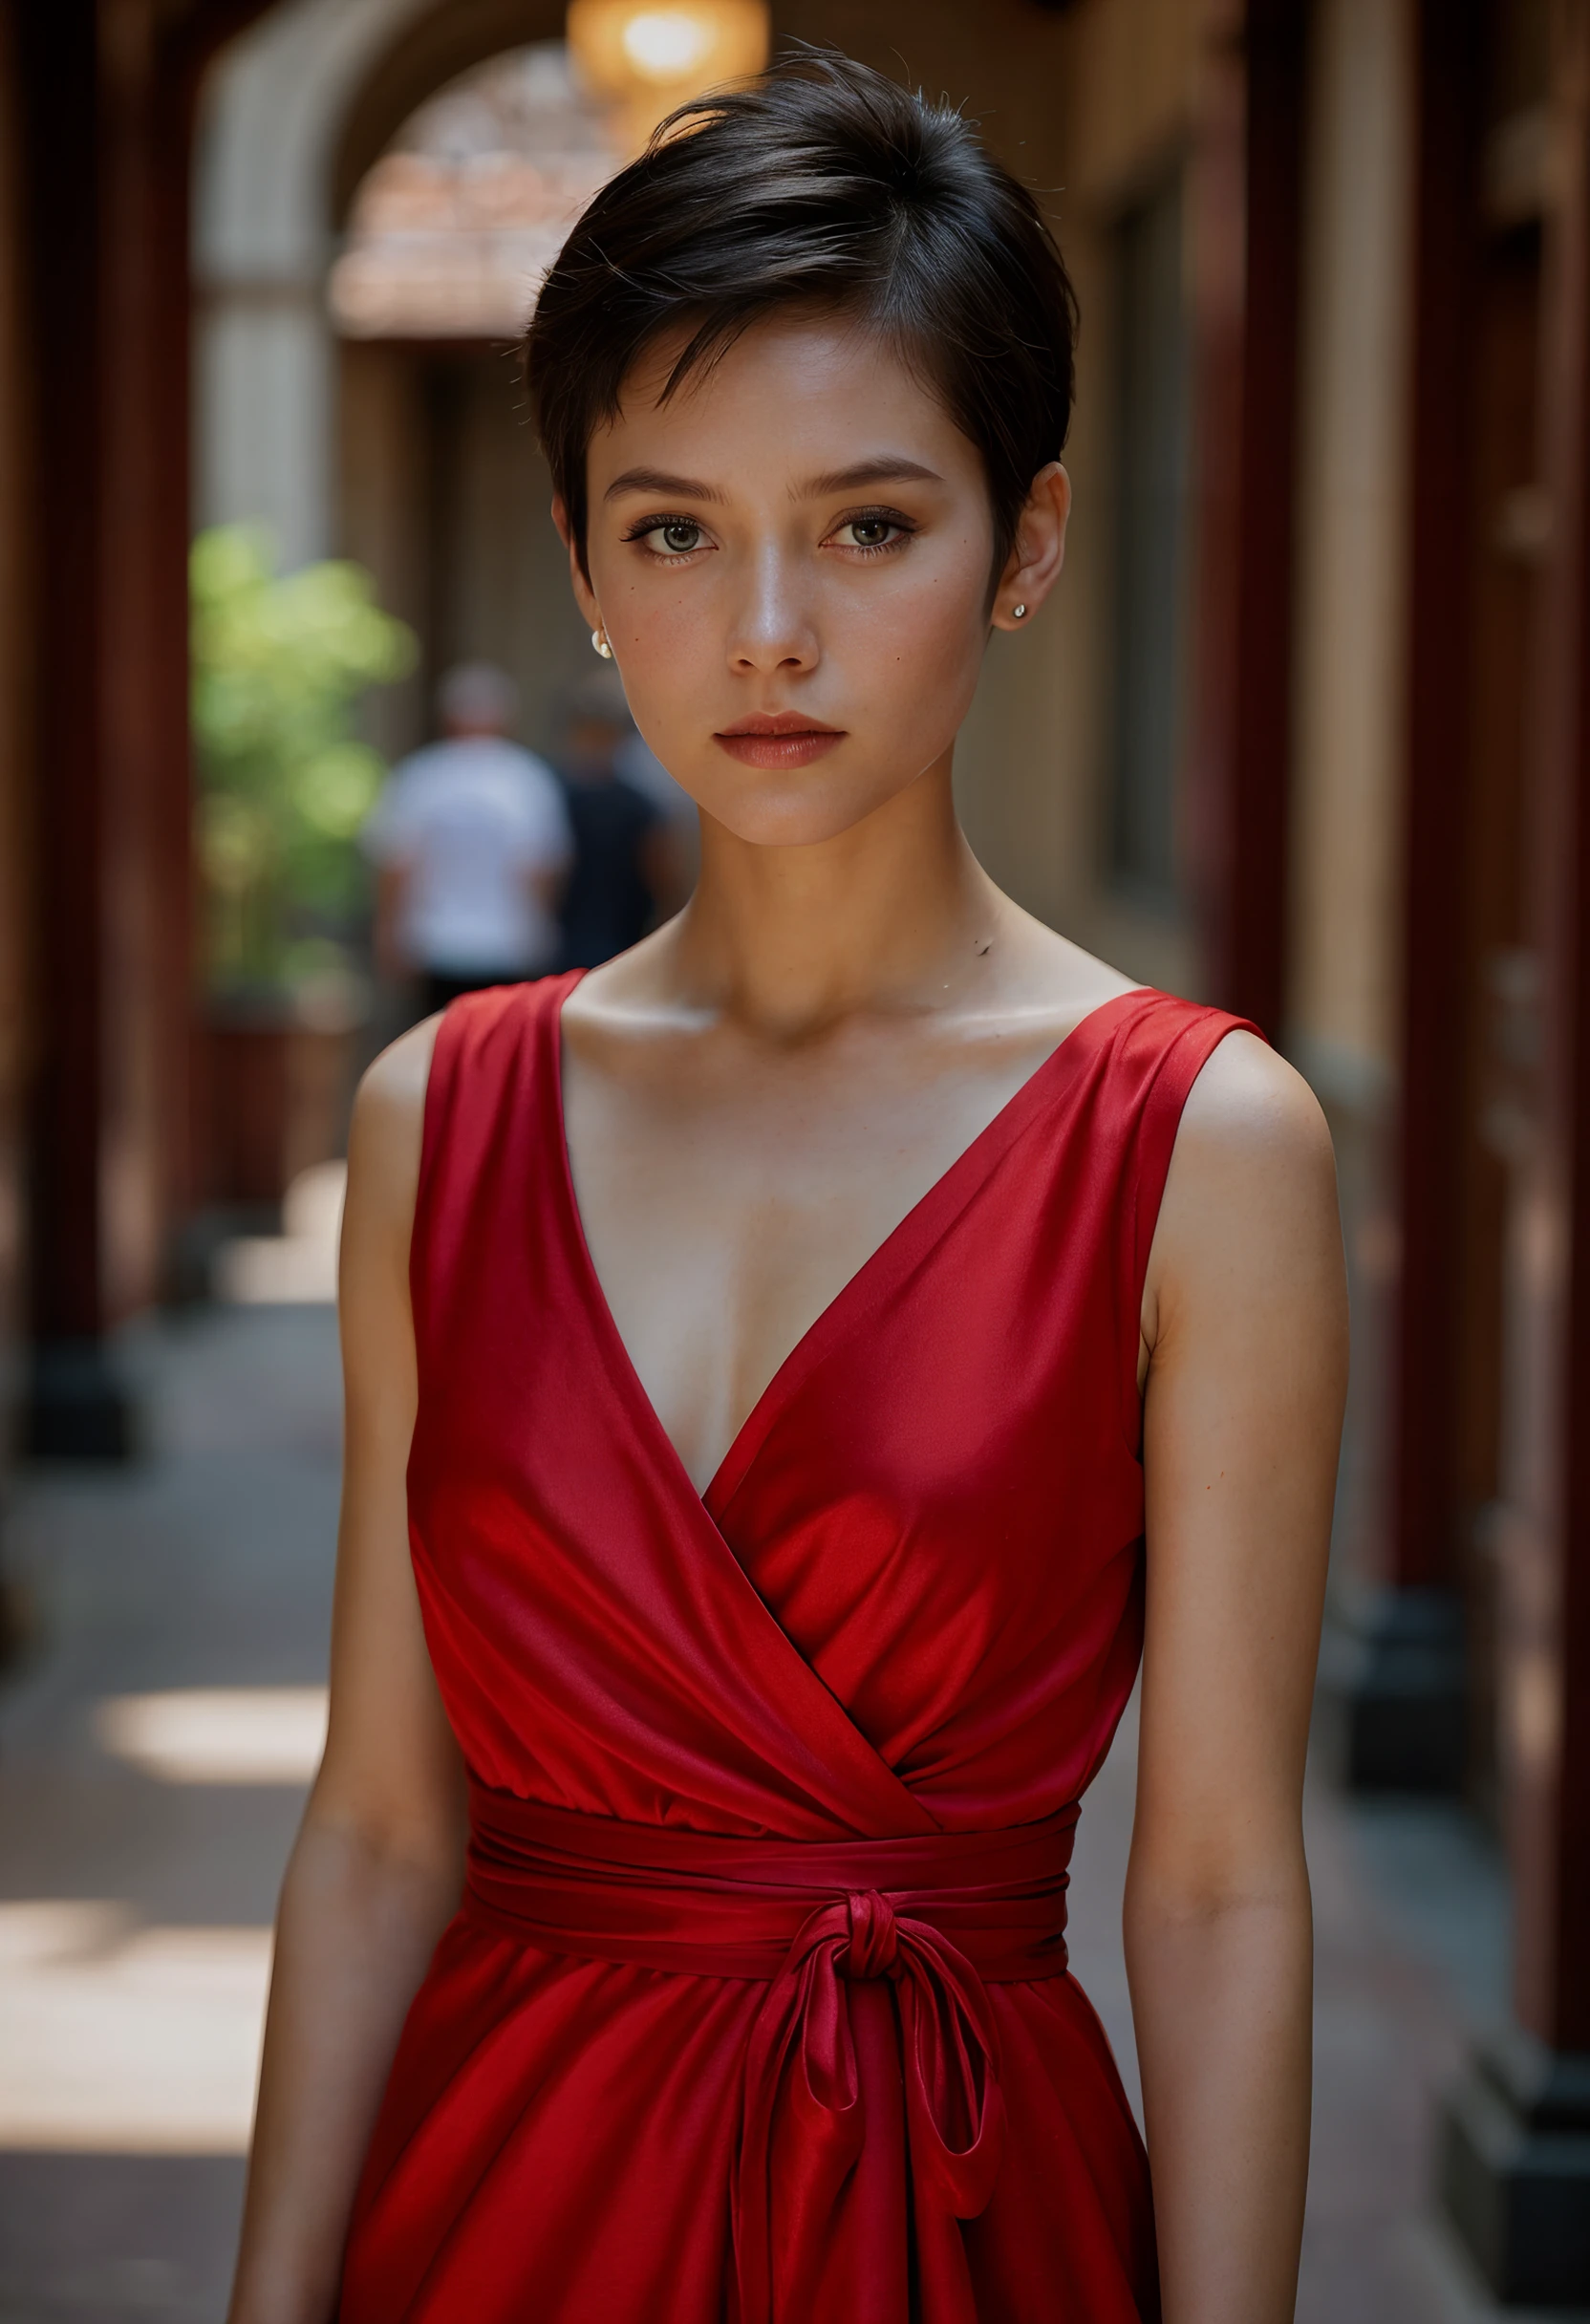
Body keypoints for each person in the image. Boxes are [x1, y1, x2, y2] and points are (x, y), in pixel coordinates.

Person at [227, 55, 1347, 2324]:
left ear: (1022, 543)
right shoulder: (436, 1114)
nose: (762, 631)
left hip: (955, 2212)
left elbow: (1218, 1882)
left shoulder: (1198, 1141)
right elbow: (372, 1822)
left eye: (863, 525)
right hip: (493, 2209)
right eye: (669, 530)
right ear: (578, 564)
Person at [361, 660, 572, 1014]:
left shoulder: (420, 775)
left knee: (436, 1046)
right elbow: (542, 867)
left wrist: (388, 932)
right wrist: (540, 928)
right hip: (507, 944)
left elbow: (396, 864)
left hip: (434, 942)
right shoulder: (526, 779)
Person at [552, 668, 677, 970]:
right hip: (615, 939)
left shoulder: (554, 793)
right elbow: (662, 874)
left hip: (590, 937)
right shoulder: (639, 800)